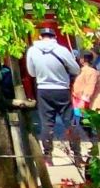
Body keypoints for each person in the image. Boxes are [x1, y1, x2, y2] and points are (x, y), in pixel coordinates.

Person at [25, 25, 85, 167]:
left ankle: (47, 157)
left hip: (43, 89)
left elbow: (31, 73)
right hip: (62, 89)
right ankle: (77, 156)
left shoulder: (32, 51)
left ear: (40, 37)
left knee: (47, 123)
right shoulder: (62, 50)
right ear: (55, 37)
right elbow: (76, 69)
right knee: (69, 122)